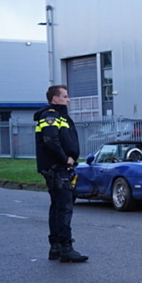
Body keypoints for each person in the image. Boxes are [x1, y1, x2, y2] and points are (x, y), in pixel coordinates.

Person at [34, 85, 88, 263]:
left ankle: (55, 247)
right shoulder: (50, 116)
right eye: (65, 96)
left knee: (57, 206)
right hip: (57, 167)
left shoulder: (58, 115)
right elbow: (50, 140)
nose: (68, 99)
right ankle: (66, 248)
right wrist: (65, 159)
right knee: (64, 207)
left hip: (56, 167)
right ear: (55, 99)